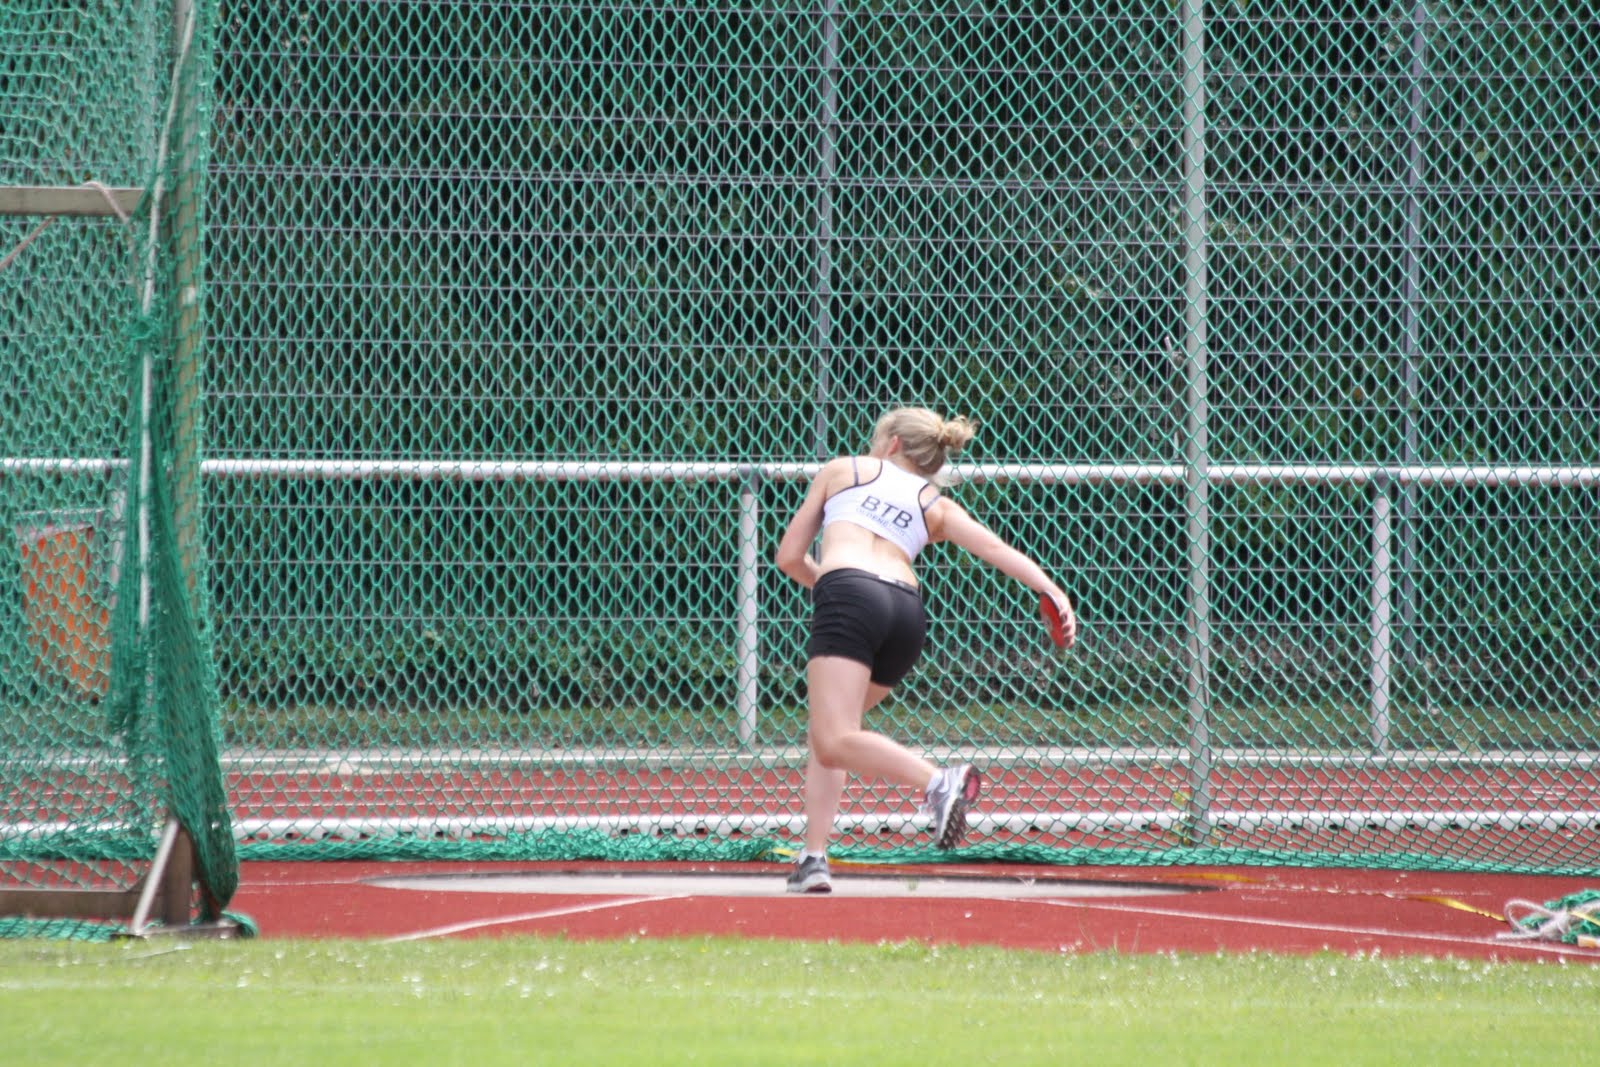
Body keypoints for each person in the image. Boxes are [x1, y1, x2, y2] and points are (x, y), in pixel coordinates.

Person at [774, 406, 1076, 893]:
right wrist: (1053, 590)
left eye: (878, 439)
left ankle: (939, 782)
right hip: (906, 612)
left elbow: (789, 557)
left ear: (892, 443)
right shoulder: (936, 504)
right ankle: (813, 858)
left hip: (851, 594)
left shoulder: (843, 469)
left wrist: (837, 589)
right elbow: (996, 549)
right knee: (831, 734)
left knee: (832, 738)